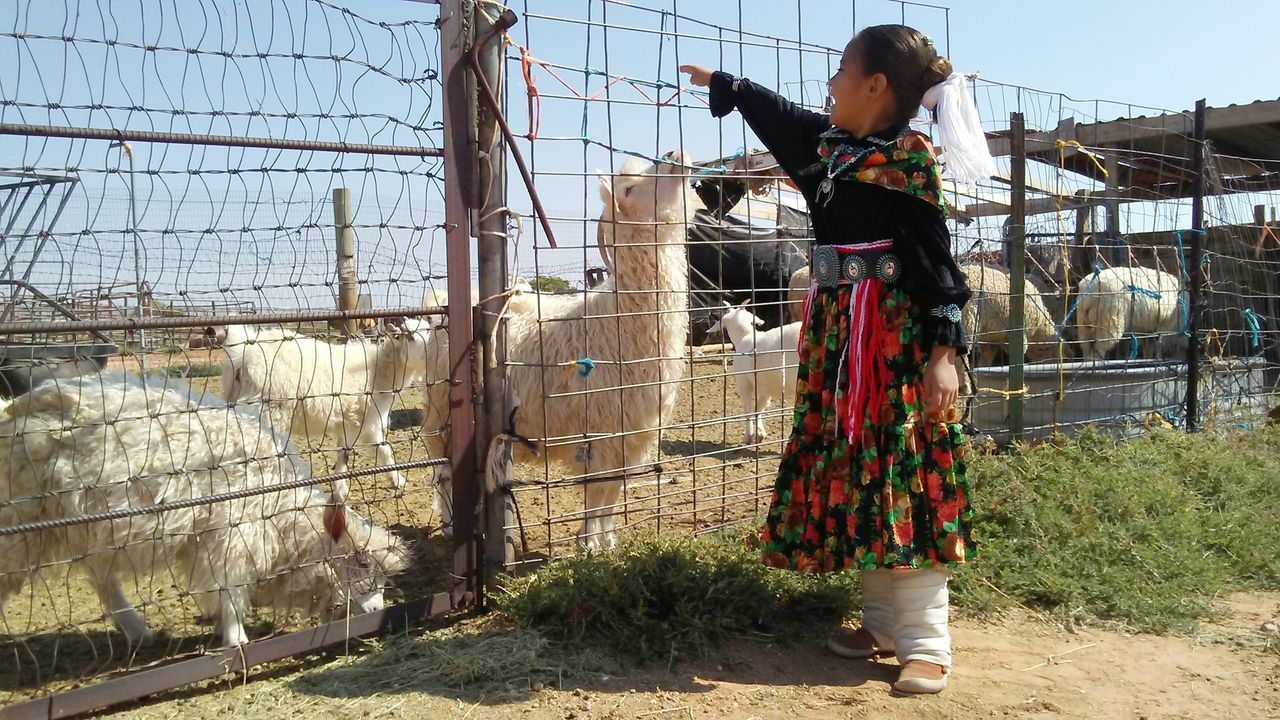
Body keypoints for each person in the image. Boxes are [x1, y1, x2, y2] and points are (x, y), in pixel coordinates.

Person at [681, 24, 994, 695]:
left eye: (841, 71)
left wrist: (943, 354)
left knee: (903, 472)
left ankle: (927, 642)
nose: (829, 85)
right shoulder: (828, 154)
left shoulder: (908, 167)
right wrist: (731, 89)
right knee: (861, 475)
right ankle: (882, 624)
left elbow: (937, 268)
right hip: (837, 343)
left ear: (876, 87)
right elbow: (787, 119)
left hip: (894, 346)